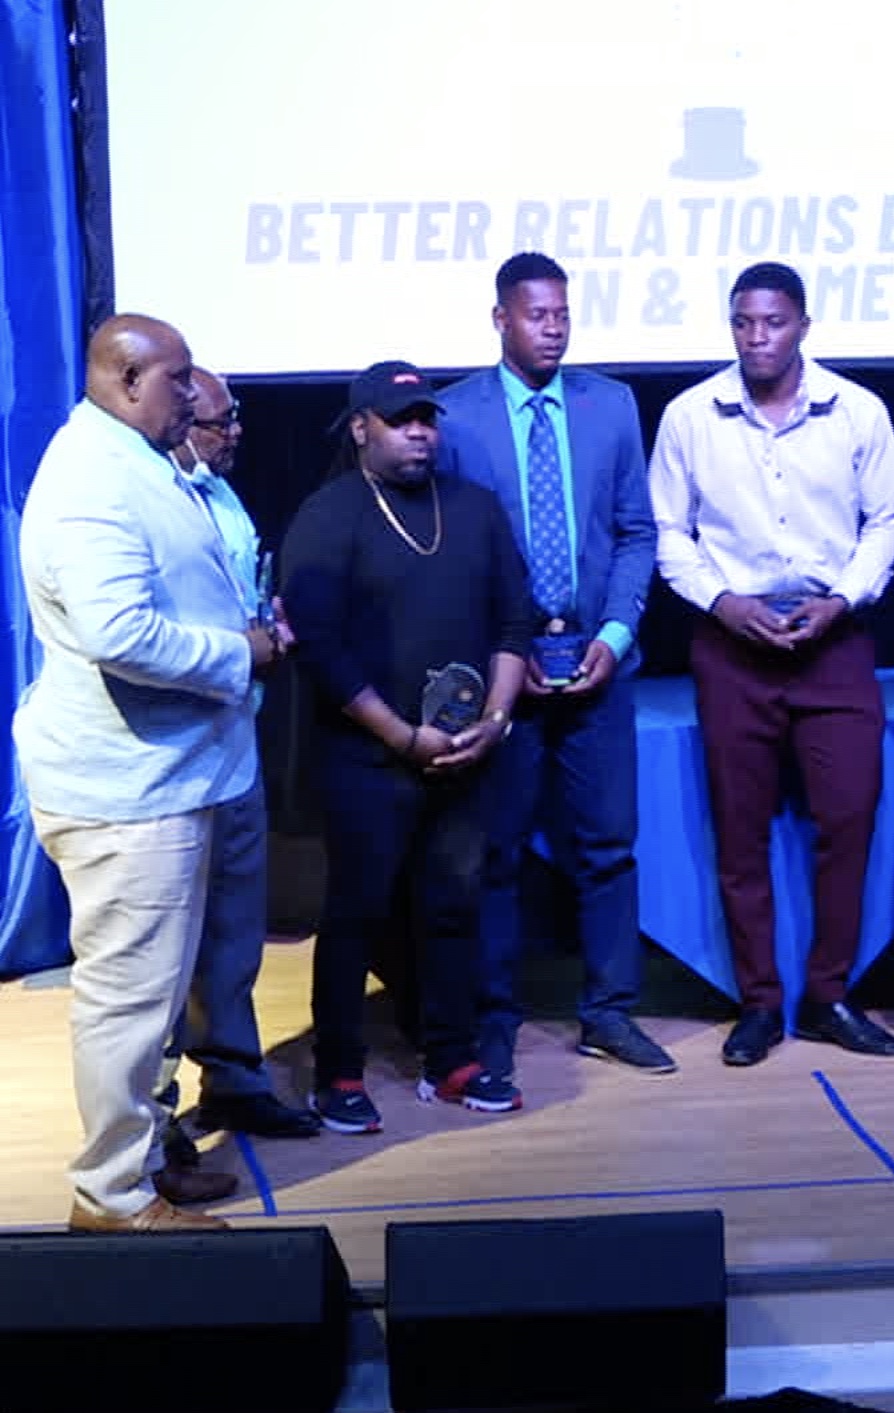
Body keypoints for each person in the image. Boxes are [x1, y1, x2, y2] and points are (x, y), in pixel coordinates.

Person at [17, 315, 279, 1230]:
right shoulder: (91, 478)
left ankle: (145, 1159)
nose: (192, 394)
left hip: (171, 775)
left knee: (158, 996)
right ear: (127, 380)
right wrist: (238, 652)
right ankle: (113, 1197)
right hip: (127, 792)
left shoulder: (135, 456)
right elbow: (117, 633)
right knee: (129, 1002)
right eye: (177, 379)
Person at [648, 262, 894, 1067]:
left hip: (833, 637)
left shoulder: (857, 411)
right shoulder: (692, 416)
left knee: (846, 817)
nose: (756, 338)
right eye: (742, 323)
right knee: (739, 832)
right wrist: (724, 603)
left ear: (803, 324)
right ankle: (761, 1003)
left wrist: (845, 598)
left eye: (772, 322)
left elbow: (888, 518)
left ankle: (829, 994)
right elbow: (670, 533)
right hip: (734, 642)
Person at [436, 253, 674, 1082]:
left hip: (600, 663)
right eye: (537, 314)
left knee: (608, 845)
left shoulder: (610, 405)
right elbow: (455, 553)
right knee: (496, 853)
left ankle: (609, 1011)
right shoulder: (455, 415)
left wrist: (613, 630)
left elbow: (637, 532)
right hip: (508, 671)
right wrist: (511, 652)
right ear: (500, 318)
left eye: (564, 313)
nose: (555, 326)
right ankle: (494, 1018)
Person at [280, 361, 532, 1132]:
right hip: (367, 757)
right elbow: (318, 647)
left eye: (426, 416)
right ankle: (339, 1072)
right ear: (361, 428)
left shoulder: (477, 510)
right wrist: (400, 734)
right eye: (400, 418)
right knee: (357, 914)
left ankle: (451, 1057)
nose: (420, 429)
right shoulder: (330, 515)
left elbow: (513, 624)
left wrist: (491, 720)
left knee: (454, 905)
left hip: (462, 754)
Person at [152, 370, 326, 1163]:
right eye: (221, 424)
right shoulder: (150, 499)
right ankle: (152, 1126)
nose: (236, 435)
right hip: (171, 755)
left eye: (238, 419)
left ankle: (233, 1075)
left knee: (232, 925)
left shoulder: (222, 495)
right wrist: (242, 649)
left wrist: (268, 623)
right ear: (181, 421)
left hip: (236, 740)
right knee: (165, 945)